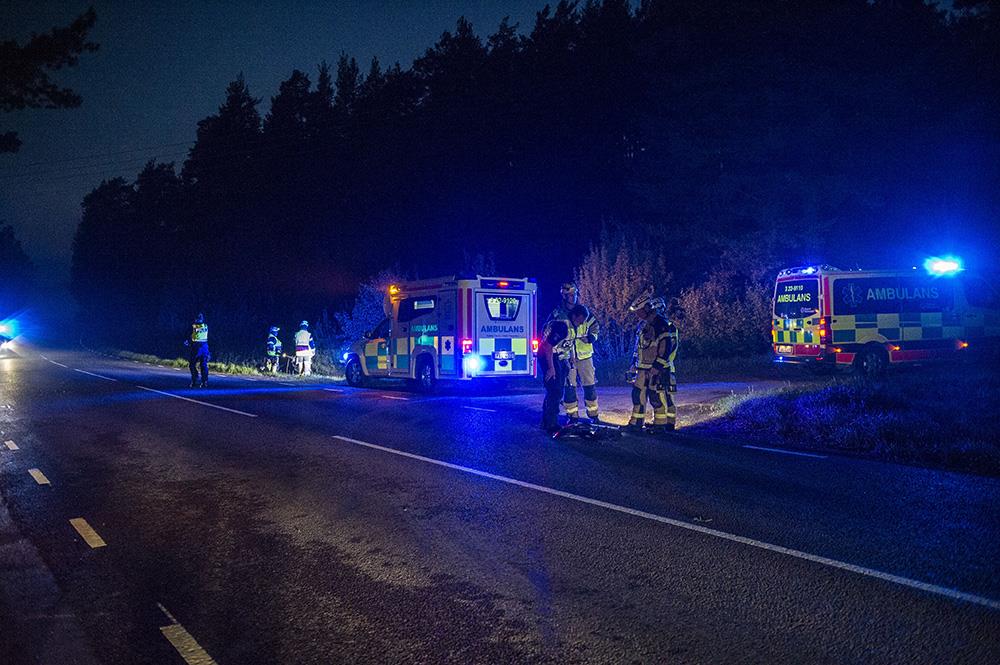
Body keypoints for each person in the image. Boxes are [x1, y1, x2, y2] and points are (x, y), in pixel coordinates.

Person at [627, 293, 679, 434]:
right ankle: (636, 423)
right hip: (642, 368)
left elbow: (667, 347)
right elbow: (639, 347)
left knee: (658, 397)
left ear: (647, 308)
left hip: (656, 369)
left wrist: (657, 366)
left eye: (639, 311)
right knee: (638, 395)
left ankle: (661, 425)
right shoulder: (644, 325)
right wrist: (633, 364)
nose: (637, 314)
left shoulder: (662, 325)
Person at [563, 303, 601, 421]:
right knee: (569, 387)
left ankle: (593, 415)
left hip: (585, 357)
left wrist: (590, 338)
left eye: (573, 295)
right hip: (569, 359)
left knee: (590, 386)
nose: (580, 323)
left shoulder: (587, 315)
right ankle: (572, 416)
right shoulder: (564, 318)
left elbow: (595, 329)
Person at [538, 320, 570, 434]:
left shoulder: (558, 325)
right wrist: (551, 368)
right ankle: (551, 424)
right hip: (548, 357)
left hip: (553, 357)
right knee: (555, 391)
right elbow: (548, 347)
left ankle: (546, 422)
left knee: (554, 391)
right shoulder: (561, 328)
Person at [185, 312, 210, 388]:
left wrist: (187, 342)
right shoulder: (205, 326)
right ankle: (204, 382)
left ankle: (194, 379)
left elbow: (189, 337)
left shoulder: (193, 326)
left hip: (196, 348)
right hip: (205, 348)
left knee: (192, 365)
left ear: (196, 319)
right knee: (203, 365)